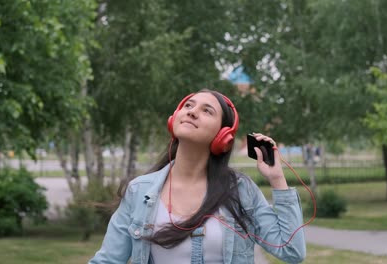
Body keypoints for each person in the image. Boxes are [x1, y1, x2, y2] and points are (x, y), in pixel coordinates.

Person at [89, 89, 306, 264]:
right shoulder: (139, 191)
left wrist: (277, 180)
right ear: (174, 119)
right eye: (188, 106)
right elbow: (107, 260)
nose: (192, 112)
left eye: (207, 111)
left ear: (223, 136)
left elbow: (291, 251)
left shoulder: (241, 190)